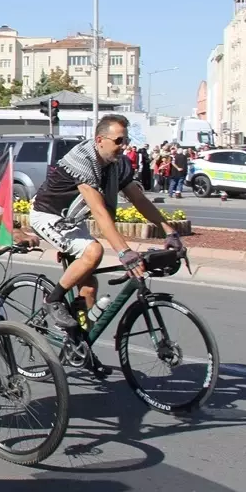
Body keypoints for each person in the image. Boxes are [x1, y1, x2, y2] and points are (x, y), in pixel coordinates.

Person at [30, 114, 183, 371]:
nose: (124, 146)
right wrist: (124, 251)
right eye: (119, 140)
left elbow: (139, 199)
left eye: (127, 140)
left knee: (89, 288)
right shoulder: (82, 159)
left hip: (71, 220)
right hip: (48, 215)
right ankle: (53, 300)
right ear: (100, 140)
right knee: (94, 251)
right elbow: (99, 212)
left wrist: (169, 230)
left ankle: (80, 347)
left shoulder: (118, 164)